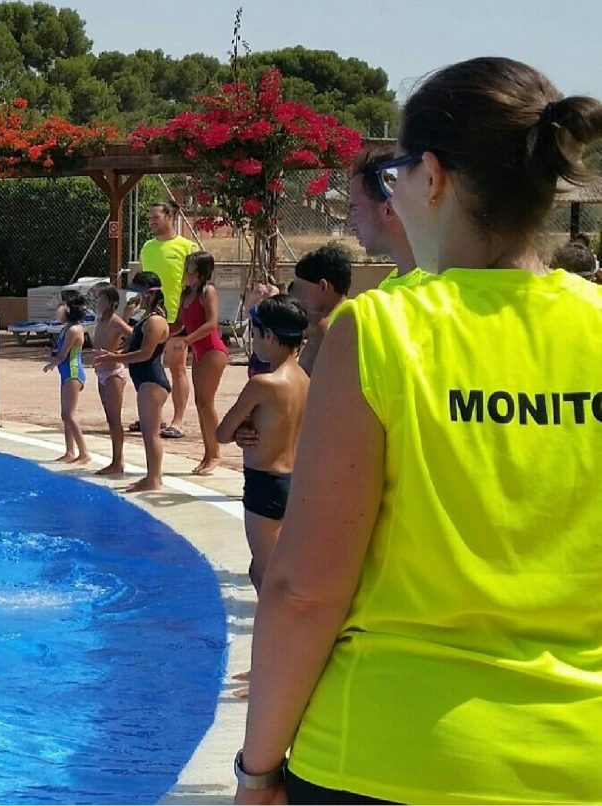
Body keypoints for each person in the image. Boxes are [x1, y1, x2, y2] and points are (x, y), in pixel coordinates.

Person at [235, 57, 602, 805]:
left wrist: (259, 769)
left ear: (430, 176)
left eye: (394, 173)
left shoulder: (380, 330)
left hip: (386, 756)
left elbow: (304, 592)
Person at [215, 295, 308, 592]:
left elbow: (221, 433)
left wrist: (238, 431)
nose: (253, 341)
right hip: (295, 481)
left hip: (264, 483)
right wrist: (244, 432)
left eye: (254, 334)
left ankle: (272, 624)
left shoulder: (263, 384)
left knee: (266, 577)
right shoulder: (306, 380)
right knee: (268, 569)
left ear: (269, 335)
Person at [93, 271, 170, 493]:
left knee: (151, 433)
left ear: (149, 294)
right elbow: (133, 346)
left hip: (152, 381)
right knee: (147, 432)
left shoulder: (155, 321)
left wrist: (113, 358)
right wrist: (116, 353)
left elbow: (145, 354)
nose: (135, 297)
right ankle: (151, 476)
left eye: (138, 293)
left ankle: (154, 479)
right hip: (146, 382)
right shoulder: (147, 319)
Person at [138, 201, 197, 439]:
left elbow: (194, 283)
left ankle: (178, 420)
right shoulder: (147, 247)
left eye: (156, 217)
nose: (152, 221)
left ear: (170, 217)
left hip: (176, 317)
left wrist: (185, 313)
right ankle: (154, 415)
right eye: (150, 218)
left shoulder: (187, 247)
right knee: (149, 366)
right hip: (152, 317)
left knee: (177, 367)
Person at [175, 251, 229, 475]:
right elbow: (179, 323)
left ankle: (215, 454)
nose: (186, 271)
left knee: (206, 402)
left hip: (212, 350)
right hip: (198, 351)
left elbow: (212, 324)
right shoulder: (186, 293)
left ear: (200, 271)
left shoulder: (208, 292)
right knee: (200, 403)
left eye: (190, 267)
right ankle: (208, 453)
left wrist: (187, 340)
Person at [348, 148, 423, 290]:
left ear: (389, 209)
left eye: (355, 210)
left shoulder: (431, 289)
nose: (352, 225)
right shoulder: (391, 283)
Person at [288, 245, 351, 376]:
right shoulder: (356, 317)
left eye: (300, 291)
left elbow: (301, 380)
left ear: (323, 286)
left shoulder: (328, 328)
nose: (297, 299)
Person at [42, 295, 90, 465]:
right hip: (66, 374)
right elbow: (61, 352)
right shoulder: (66, 329)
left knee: (69, 415)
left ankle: (84, 453)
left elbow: (63, 356)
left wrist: (51, 363)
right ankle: (70, 452)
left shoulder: (74, 330)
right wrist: (51, 354)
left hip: (73, 374)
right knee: (65, 415)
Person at [90, 283, 133, 476]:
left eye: (101, 299)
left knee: (115, 419)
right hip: (101, 374)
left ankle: (118, 462)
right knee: (110, 418)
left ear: (110, 303)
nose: (97, 302)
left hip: (113, 374)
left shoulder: (115, 321)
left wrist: (119, 353)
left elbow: (134, 336)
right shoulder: (101, 321)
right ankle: (115, 460)